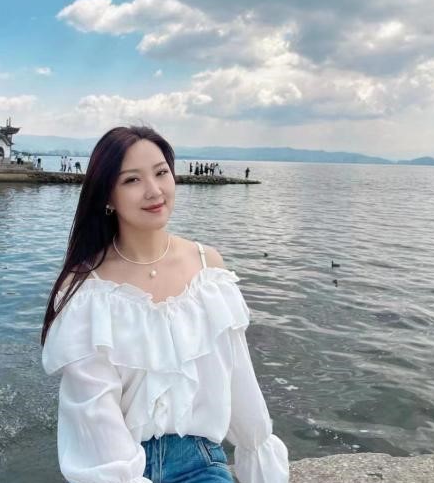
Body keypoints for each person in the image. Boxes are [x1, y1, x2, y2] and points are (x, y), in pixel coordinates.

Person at [41, 125, 289, 483]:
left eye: (161, 173)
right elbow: (94, 414)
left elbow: (240, 380)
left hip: (200, 462)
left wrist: (259, 459)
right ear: (107, 195)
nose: (154, 190)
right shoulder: (87, 290)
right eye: (132, 180)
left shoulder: (207, 268)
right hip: (118, 467)